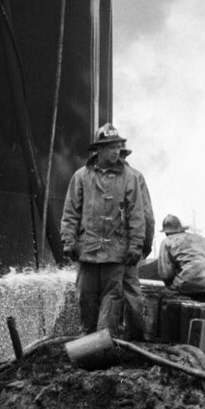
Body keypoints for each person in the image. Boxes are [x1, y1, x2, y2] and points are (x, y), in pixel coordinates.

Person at [61, 124, 154, 335]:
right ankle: (89, 340)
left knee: (112, 299)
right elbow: (71, 212)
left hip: (116, 252)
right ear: (99, 150)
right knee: (86, 297)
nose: (115, 151)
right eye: (111, 147)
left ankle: (105, 344)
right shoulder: (81, 177)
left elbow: (137, 215)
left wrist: (136, 245)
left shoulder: (129, 177)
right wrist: (69, 241)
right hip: (87, 250)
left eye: (118, 147)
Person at [155, 215, 205, 305]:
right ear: (181, 229)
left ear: (166, 232)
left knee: (163, 299)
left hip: (188, 285)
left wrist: (173, 286)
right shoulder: (201, 239)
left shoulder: (167, 241)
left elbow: (166, 274)